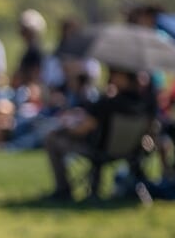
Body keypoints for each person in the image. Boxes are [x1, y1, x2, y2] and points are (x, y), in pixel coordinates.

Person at [43, 67, 155, 201]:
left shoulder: (108, 104)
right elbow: (150, 132)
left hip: (99, 150)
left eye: (114, 73)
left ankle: (63, 190)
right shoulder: (144, 105)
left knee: (52, 138)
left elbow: (84, 128)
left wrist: (65, 127)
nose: (111, 77)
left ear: (125, 78)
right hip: (131, 152)